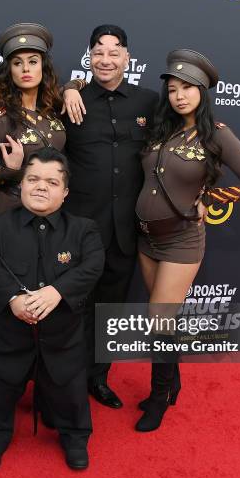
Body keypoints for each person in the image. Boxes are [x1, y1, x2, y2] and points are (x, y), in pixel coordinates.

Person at [134, 49, 240, 432]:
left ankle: (159, 398)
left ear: (203, 92)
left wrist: (209, 199)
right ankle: (171, 382)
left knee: (158, 319)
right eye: (173, 88)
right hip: (145, 238)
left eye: (188, 88)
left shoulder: (217, 134)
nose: (179, 95)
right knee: (161, 318)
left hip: (181, 241)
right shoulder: (160, 128)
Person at [0, 147, 105, 472]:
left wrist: (56, 292)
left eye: (51, 181)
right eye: (33, 179)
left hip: (63, 335)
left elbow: (93, 265)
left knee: (69, 386)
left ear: (65, 191)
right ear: (22, 184)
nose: (41, 187)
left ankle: (73, 436)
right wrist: (14, 299)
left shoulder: (84, 229)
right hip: (8, 332)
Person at [0, 22, 86, 366]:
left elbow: (91, 83)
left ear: (43, 67)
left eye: (33, 61)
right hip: (6, 216)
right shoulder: (0, 120)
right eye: (18, 63)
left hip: (50, 219)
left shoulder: (55, 111)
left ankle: (35, 372)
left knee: (41, 294)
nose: (26, 69)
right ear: (9, 71)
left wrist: (74, 85)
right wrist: (11, 170)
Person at [62, 25, 159, 409]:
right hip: (78, 230)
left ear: (127, 58)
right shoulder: (70, 99)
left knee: (110, 313)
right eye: (98, 51)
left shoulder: (149, 102)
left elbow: (182, 132)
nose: (106, 59)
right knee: (71, 310)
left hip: (126, 229)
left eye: (114, 52)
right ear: (89, 56)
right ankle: (64, 383)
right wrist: (71, 85)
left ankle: (97, 379)